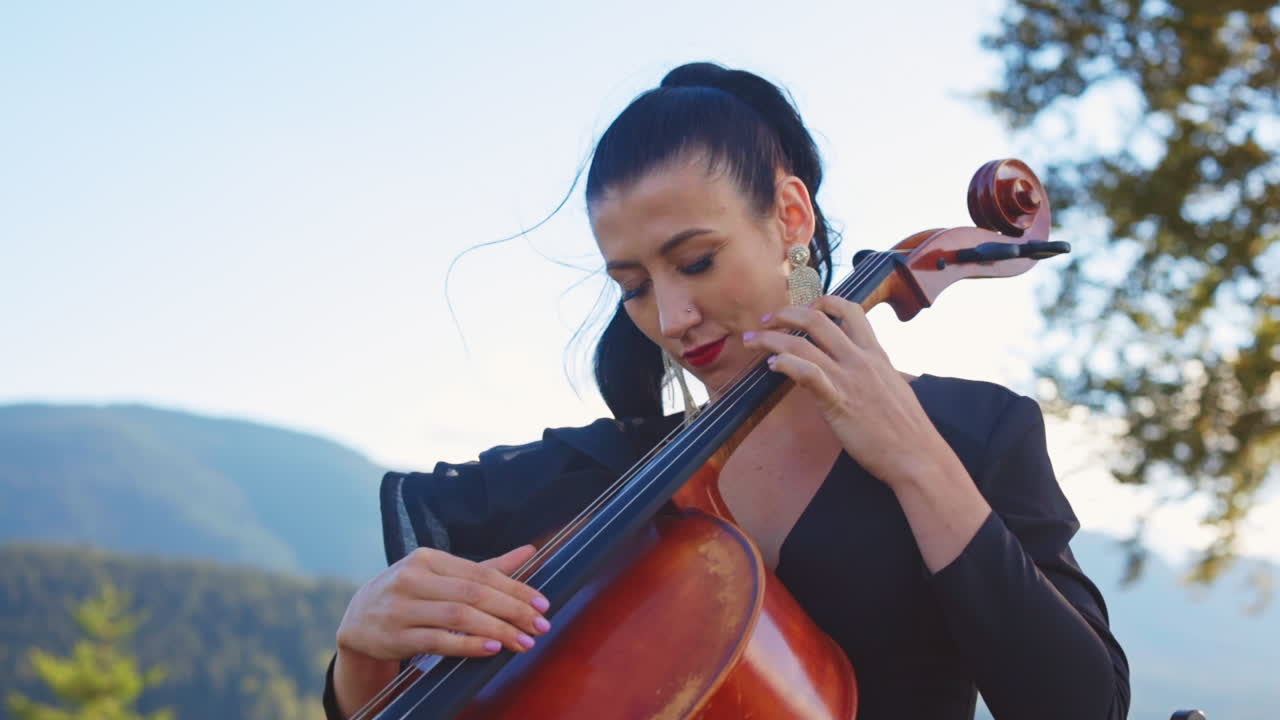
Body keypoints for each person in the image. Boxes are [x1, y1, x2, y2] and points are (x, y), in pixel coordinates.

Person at [323, 62, 1130, 719]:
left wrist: (917, 460)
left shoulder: (974, 430)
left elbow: (1081, 705)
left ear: (789, 215)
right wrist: (363, 651)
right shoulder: (597, 478)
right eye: (633, 284)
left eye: (696, 262)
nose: (671, 317)